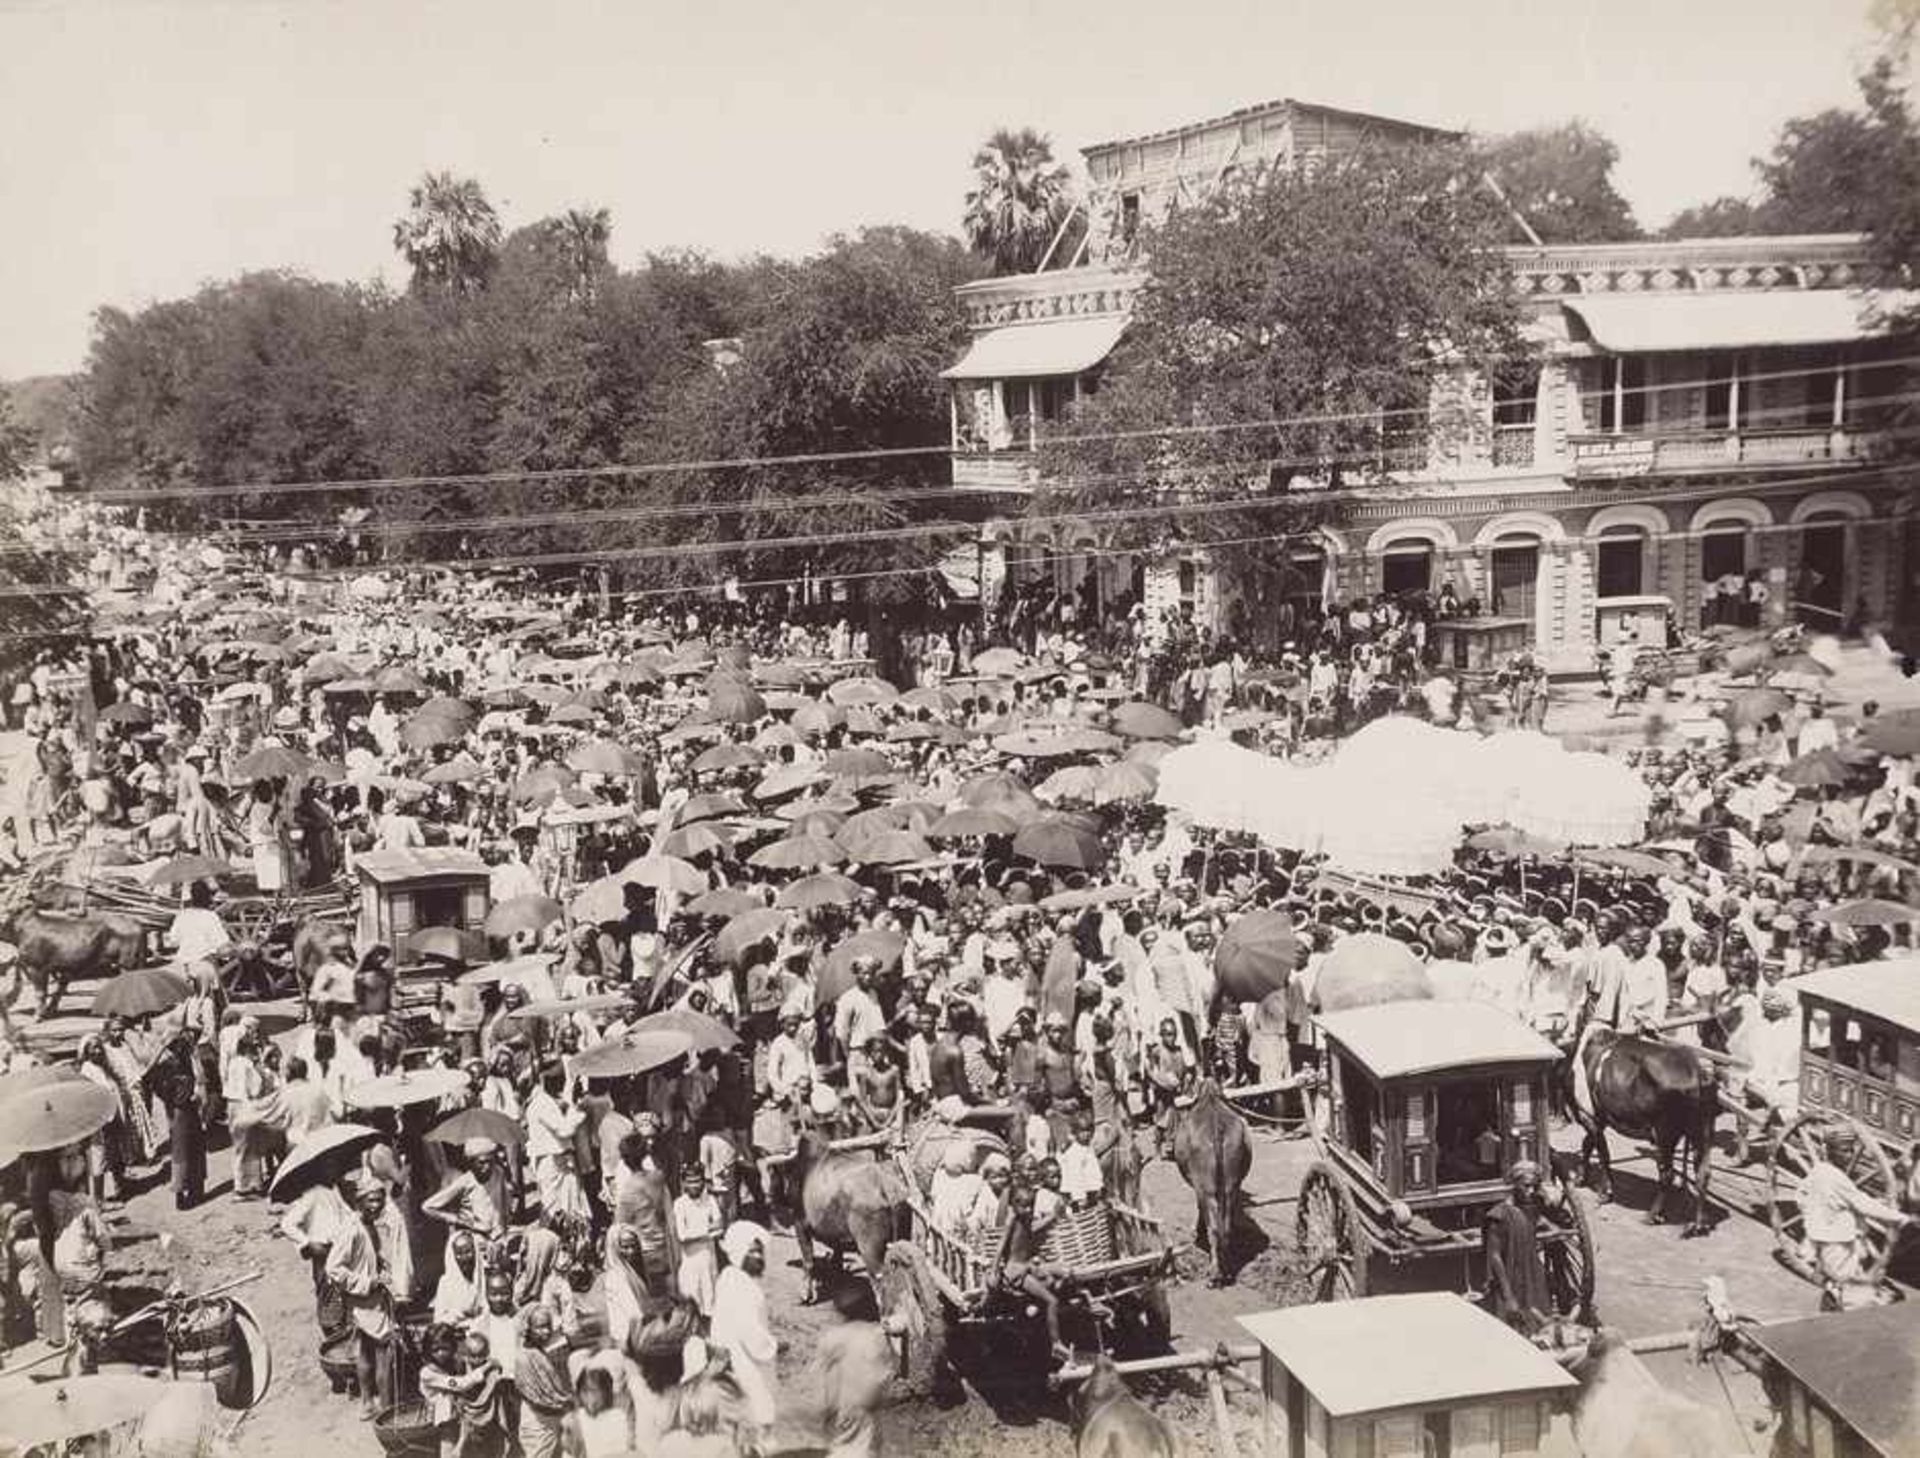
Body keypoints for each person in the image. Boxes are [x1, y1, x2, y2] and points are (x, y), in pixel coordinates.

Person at [1795, 1128, 1913, 1309]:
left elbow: (1801, 1196)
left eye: (1851, 1150)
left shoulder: (1821, 1171)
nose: (1849, 1155)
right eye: (1844, 1150)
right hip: (1837, 1241)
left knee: (1845, 1282)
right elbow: (1862, 1203)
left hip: (1833, 1238)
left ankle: (1835, 1303)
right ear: (1829, 1151)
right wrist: (1901, 1218)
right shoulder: (1833, 1177)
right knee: (1851, 1291)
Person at [326, 1175, 400, 1419]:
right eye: (371, 1200)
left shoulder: (366, 1224)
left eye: (380, 1200)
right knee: (383, 1353)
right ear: (359, 1202)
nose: (376, 1205)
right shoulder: (353, 1229)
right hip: (367, 1300)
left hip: (364, 1300)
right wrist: (369, 1282)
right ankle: (387, 1408)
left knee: (365, 1351)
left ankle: (367, 1403)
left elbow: (366, 1258)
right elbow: (334, 1268)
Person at [709, 1222, 779, 1441]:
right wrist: (772, 1346)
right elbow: (748, 1332)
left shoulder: (731, 1277)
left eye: (760, 1251)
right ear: (739, 1252)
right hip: (746, 1363)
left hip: (740, 1360)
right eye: (752, 1251)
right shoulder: (738, 1285)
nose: (759, 1256)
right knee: (756, 1416)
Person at [1481, 1160, 1552, 1335]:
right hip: (1511, 1278)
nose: (1531, 1191)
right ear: (1515, 1184)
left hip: (1530, 1275)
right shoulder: (1498, 1215)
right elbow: (1495, 1257)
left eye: (1534, 1187)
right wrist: (1508, 1297)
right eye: (1526, 1186)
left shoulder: (1531, 1209)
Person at [672, 1164, 723, 1317]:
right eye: (690, 1181)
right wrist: (708, 1231)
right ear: (684, 1183)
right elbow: (682, 1236)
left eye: (698, 1181)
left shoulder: (710, 1200)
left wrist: (703, 1233)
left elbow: (720, 1226)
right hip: (690, 1261)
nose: (694, 1185)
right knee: (692, 1302)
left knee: (710, 1300)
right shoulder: (680, 1204)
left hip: (708, 1258)